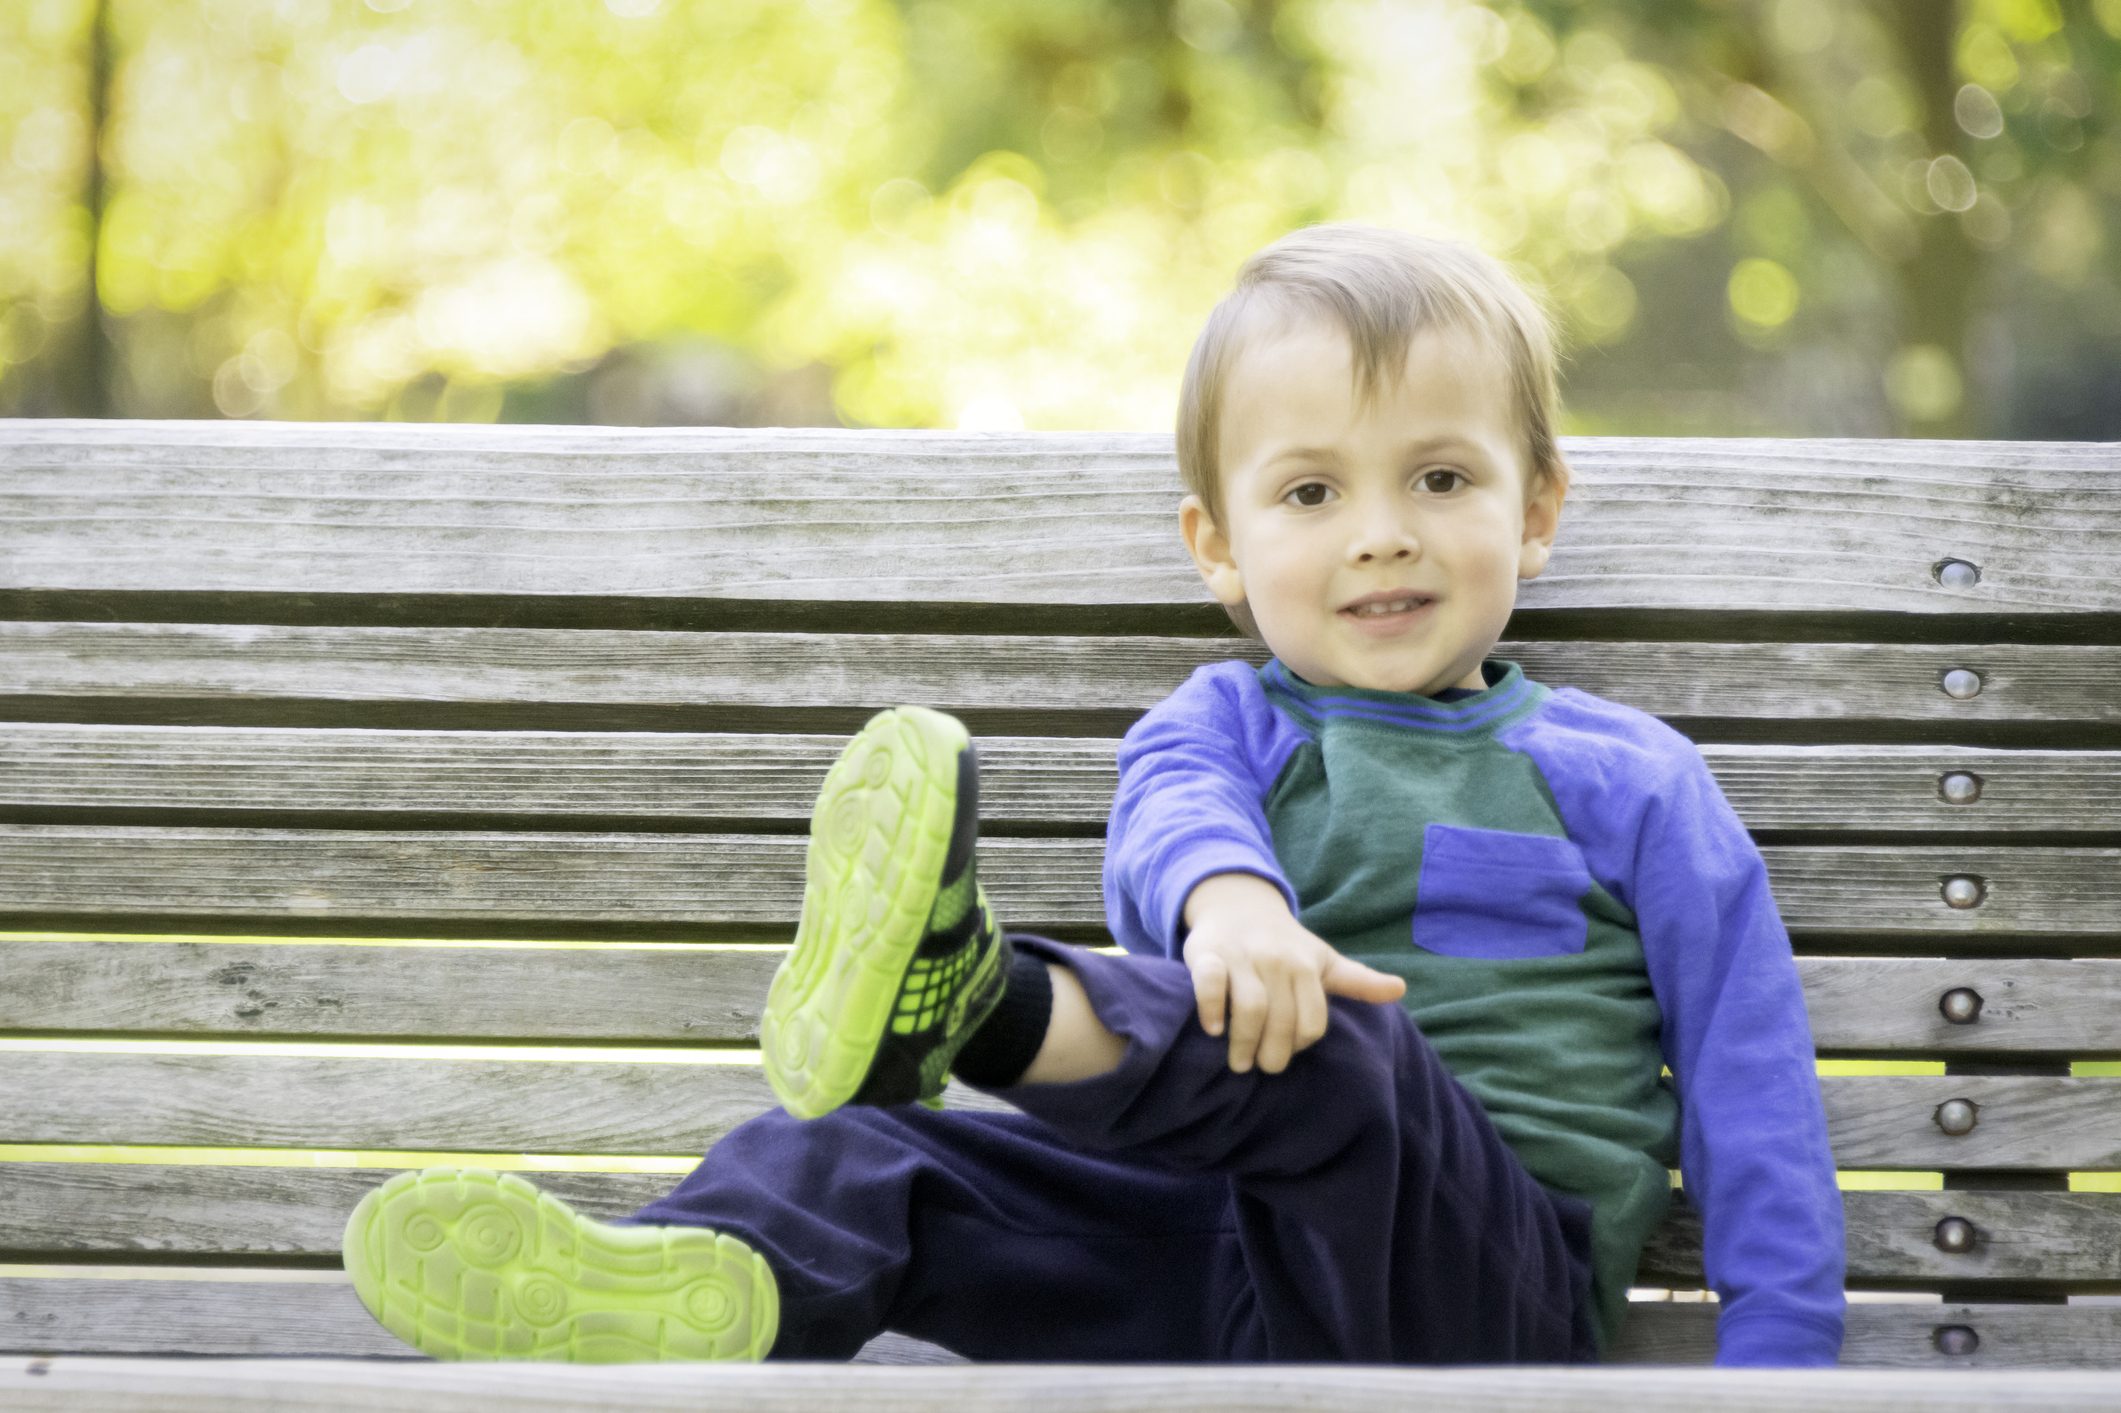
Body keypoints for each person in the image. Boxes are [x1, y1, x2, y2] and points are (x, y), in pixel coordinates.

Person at [342, 221, 1845, 1367]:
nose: (1381, 535)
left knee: (1339, 1046)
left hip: (1477, 1296)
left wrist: (1780, 1378)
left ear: (1537, 507)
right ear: (1217, 545)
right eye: (1312, 493)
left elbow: (1748, 1091)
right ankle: (667, 1280)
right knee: (868, 1147)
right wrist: (1230, 899)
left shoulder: (1624, 776)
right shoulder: (1227, 721)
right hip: (1209, 1270)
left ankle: (970, 1002)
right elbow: (1173, 809)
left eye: (1439, 479)